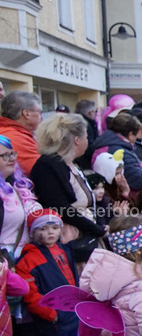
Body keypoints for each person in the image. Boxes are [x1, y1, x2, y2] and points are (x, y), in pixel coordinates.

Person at [16, 209, 91, 336]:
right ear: (33, 233)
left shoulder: (63, 250)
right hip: (53, 315)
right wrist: (49, 313)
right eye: (43, 228)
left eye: (54, 227)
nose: (50, 232)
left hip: (70, 310)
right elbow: (30, 293)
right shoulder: (28, 260)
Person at [30, 114, 105, 266]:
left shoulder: (69, 163)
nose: (88, 141)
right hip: (69, 240)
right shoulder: (49, 165)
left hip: (83, 235)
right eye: (86, 137)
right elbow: (60, 207)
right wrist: (96, 229)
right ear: (77, 140)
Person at [0, 134, 42, 260]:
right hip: (5, 261)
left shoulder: (15, 186)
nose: (12, 159)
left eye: (12, 154)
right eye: (5, 155)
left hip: (23, 258)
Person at [0, 91, 43, 174]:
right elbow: (43, 171)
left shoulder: (10, 131)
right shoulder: (16, 137)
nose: (41, 117)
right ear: (26, 113)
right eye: (39, 112)